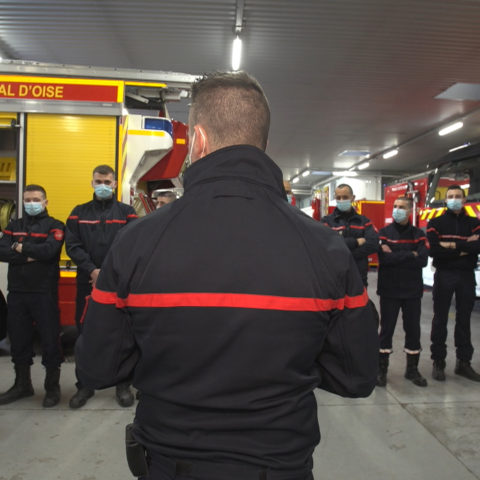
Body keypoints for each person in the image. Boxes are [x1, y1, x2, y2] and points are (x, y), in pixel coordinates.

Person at [75, 71, 378, 480]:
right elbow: (358, 375)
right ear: (263, 143)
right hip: (280, 464)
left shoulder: (136, 242)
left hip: (169, 462)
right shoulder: (325, 248)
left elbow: (97, 368)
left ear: (197, 140)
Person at [65, 164, 138, 408]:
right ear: (92, 182)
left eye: (107, 182)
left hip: (118, 285)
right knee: (85, 335)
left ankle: (123, 385)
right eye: (99, 181)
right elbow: (72, 245)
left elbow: (132, 245)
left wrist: (106, 273)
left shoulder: (127, 213)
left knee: (124, 334)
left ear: (116, 184)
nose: (103, 186)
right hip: (87, 284)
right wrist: (92, 270)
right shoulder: (78, 213)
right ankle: (84, 386)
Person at [0, 184, 65, 407]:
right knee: (18, 340)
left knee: (50, 340)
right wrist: (28, 254)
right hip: (17, 293)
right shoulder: (14, 225)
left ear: (45, 202)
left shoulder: (55, 226)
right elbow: (1, 250)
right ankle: (22, 385)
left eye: (36, 199)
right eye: (27, 199)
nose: (31, 203)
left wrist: (19, 248)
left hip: (43, 293)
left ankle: (52, 388)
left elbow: (50, 251)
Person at [427, 184, 480, 382]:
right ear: (446, 199)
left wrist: (450, 245)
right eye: (450, 196)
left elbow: (478, 245)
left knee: (464, 319)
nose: (454, 199)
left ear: (464, 199)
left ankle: (463, 363)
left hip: (466, 275)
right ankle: (438, 361)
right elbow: (434, 250)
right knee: (440, 318)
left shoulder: (475, 222)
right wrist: (465, 247)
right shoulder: (436, 222)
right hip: (444, 274)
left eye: (458, 196)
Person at [376, 196, 428, 387]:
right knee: (386, 330)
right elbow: (384, 259)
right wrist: (411, 254)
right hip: (389, 290)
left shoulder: (418, 235)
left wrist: (397, 254)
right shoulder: (383, 233)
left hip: (412, 291)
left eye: (401, 207)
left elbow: (422, 260)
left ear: (409, 210)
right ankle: (381, 370)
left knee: (413, 330)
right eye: (395, 206)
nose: (397, 210)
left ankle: (412, 370)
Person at [321, 184, 379, 287]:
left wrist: (345, 253)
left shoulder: (364, 222)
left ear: (353, 198)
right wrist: (356, 242)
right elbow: (325, 245)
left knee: (360, 303)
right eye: (338, 198)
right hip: (335, 277)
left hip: (359, 277)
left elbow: (373, 244)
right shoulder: (326, 222)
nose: (341, 200)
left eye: (345, 197)